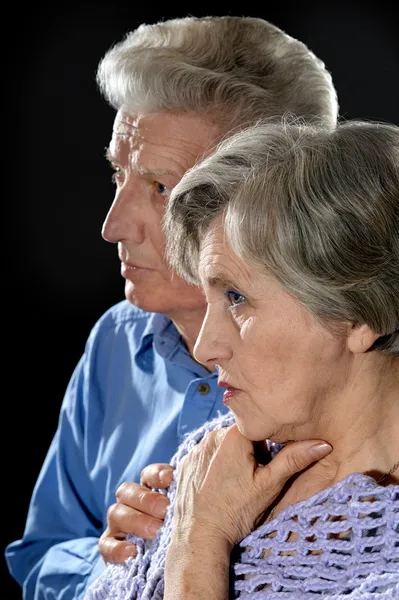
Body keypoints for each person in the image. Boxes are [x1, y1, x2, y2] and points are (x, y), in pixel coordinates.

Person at [5, 15, 339, 599]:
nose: (112, 227)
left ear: (276, 201)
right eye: (118, 173)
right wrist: (111, 570)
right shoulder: (116, 342)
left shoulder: (349, 373)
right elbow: (42, 554)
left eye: (162, 188)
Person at [84, 117, 399, 599]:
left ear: (361, 315)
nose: (206, 347)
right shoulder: (210, 458)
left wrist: (199, 542)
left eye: (236, 298)